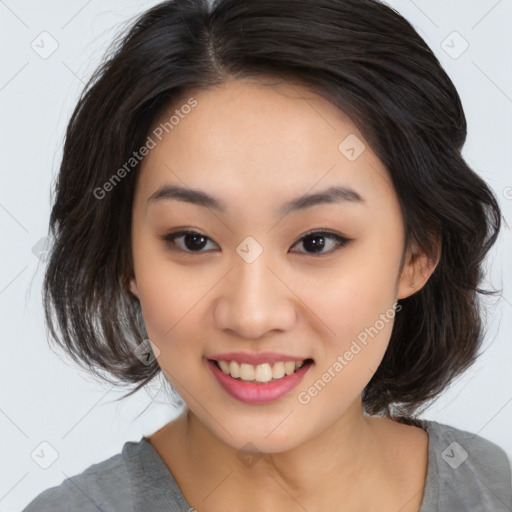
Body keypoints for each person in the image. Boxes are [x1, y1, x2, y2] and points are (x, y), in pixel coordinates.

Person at [22, 0, 512, 510]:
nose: (251, 315)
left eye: (316, 242)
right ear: (126, 258)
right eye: (193, 240)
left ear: (418, 253)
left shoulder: (490, 487)